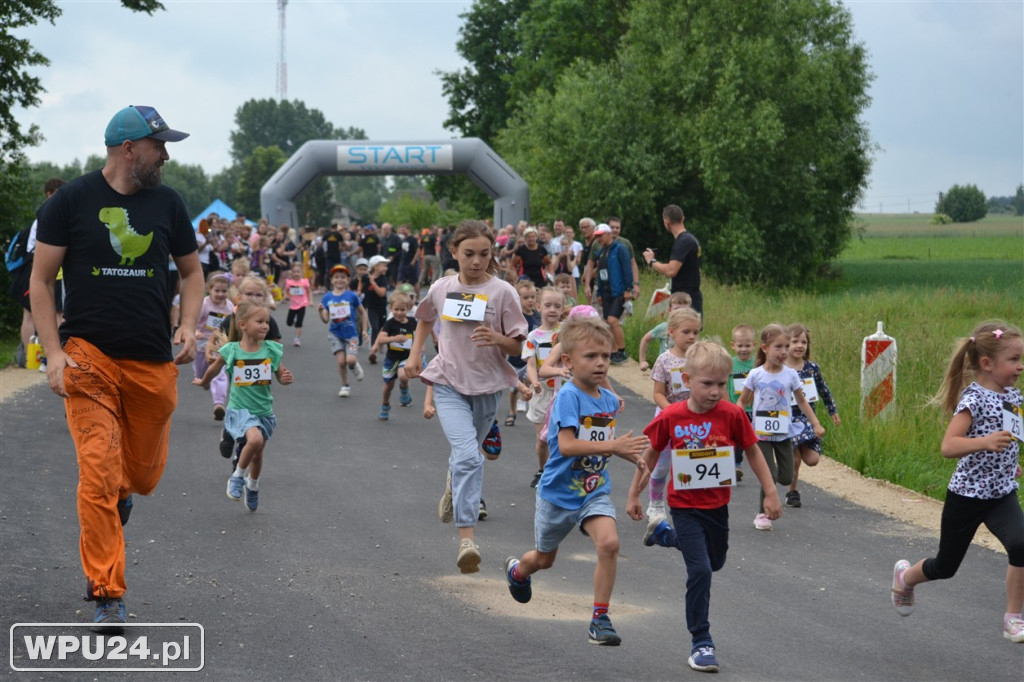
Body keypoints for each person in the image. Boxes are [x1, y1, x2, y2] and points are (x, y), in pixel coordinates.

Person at [28, 105, 202, 628]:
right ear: (130, 149)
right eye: (159, 145)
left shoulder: (168, 204)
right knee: (98, 475)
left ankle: (122, 497)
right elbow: (41, 281)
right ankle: (108, 592)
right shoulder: (71, 202)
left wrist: (190, 324)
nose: (166, 155)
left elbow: (192, 275)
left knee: (140, 476)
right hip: (89, 357)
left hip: (151, 360)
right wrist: (54, 352)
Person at [626, 341, 782, 672]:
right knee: (699, 571)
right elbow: (651, 453)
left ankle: (663, 536)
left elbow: (753, 451)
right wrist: (634, 494)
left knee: (715, 562)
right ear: (686, 379)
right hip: (683, 506)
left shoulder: (733, 414)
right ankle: (701, 641)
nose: (714, 391)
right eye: (706, 383)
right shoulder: (672, 416)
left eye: (720, 384)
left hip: (717, 507)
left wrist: (770, 491)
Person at [503, 316, 649, 646]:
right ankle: (517, 572)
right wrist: (614, 445)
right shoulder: (568, 396)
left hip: (593, 491)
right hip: (556, 494)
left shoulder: (610, 402)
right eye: (591, 356)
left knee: (609, 543)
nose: (600, 363)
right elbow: (567, 446)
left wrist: (631, 455)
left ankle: (600, 618)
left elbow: (601, 446)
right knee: (544, 560)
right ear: (568, 361)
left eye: (606, 356)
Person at [404, 220, 528, 574]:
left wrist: (498, 339)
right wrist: (415, 354)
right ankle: (467, 540)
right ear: (454, 252)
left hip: (488, 386)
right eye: (469, 254)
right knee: (471, 458)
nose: (476, 261)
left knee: (465, 457)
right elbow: (425, 318)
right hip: (448, 382)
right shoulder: (442, 287)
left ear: (492, 254)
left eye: (484, 254)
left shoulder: (503, 292)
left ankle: (452, 482)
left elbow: (519, 343)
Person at [890, 321, 1024, 644]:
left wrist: (1010, 462)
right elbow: (949, 446)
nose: (1021, 366)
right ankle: (905, 577)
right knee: (946, 565)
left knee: (1022, 544)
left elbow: (1009, 436)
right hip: (967, 495)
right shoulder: (972, 398)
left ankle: (1013, 618)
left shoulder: (1015, 395)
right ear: (987, 364)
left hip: (1001, 492)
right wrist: (985, 443)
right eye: (1014, 359)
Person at [194, 300, 293, 512]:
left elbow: (280, 375)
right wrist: (203, 381)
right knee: (254, 439)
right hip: (240, 409)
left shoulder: (271, 350)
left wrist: (285, 378)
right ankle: (237, 476)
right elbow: (214, 368)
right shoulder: (231, 350)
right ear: (243, 325)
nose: (265, 325)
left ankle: (253, 485)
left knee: (258, 454)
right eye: (260, 321)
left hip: (263, 411)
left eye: (267, 321)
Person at [737, 324, 824, 531]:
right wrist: (739, 420)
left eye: (786, 347)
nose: (783, 352)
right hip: (761, 434)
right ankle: (762, 514)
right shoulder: (756, 375)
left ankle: (778, 492)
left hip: (784, 433)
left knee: (785, 476)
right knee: (768, 473)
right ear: (765, 348)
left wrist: (816, 423)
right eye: (778, 347)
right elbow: (742, 401)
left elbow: (802, 402)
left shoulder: (790, 375)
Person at [643, 307, 702, 534]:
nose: (691, 337)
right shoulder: (664, 360)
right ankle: (656, 504)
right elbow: (658, 393)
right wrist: (672, 412)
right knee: (661, 467)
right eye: (686, 331)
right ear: (671, 332)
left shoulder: (700, 358)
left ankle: (687, 508)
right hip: (668, 419)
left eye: (695, 332)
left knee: (689, 465)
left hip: (695, 421)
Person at [782, 323, 841, 508]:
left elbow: (824, 391)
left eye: (804, 342)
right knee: (796, 460)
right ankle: (792, 492)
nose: (800, 345)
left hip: (807, 421)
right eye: (795, 341)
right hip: (787, 420)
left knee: (812, 460)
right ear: (786, 344)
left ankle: (787, 470)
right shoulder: (780, 368)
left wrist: (833, 411)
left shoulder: (812, 369)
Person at [522, 287, 566, 488]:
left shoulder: (567, 333)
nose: (552, 309)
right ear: (539, 306)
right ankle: (542, 469)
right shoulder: (533, 336)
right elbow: (531, 364)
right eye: (548, 305)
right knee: (543, 439)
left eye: (557, 306)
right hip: (542, 392)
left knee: (563, 436)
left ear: (563, 309)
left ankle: (557, 472)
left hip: (564, 391)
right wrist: (534, 381)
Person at [642, 204, 703, 317]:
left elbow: (671, 271)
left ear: (666, 222)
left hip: (684, 301)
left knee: (682, 332)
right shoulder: (692, 240)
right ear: (683, 219)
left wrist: (651, 261)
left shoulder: (683, 241)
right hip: (691, 297)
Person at [318, 264, 368, 397]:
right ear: (332, 280)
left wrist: (364, 330)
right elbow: (325, 319)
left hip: (351, 335)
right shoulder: (327, 298)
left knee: (350, 360)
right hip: (335, 334)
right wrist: (320, 312)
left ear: (348, 280)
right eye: (336, 277)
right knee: (341, 362)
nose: (339, 280)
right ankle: (345, 385)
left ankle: (354, 365)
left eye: (343, 277)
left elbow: (363, 312)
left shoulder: (352, 296)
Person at [586, 223, 633, 365]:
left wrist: (628, 289)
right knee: (607, 322)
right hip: (605, 292)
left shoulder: (620, 249)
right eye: (597, 236)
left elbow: (627, 269)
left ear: (608, 234)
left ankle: (621, 350)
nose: (599, 239)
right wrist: (599, 292)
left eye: (601, 235)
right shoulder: (601, 252)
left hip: (618, 291)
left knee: (613, 320)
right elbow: (601, 274)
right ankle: (612, 351)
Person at [193, 272, 234, 420]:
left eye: (224, 291)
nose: (220, 294)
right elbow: (193, 321)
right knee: (200, 373)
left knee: (220, 373)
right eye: (217, 290)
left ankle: (219, 404)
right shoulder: (204, 304)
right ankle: (204, 380)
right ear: (209, 289)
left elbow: (231, 326)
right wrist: (196, 331)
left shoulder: (229, 306)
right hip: (201, 344)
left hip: (218, 345)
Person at [372, 290, 417, 421]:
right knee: (388, 386)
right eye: (396, 309)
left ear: (408, 308)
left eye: (402, 310)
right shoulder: (390, 323)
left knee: (403, 376)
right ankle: (385, 405)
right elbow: (380, 339)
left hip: (406, 357)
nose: (399, 312)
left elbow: (419, 336)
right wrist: (393, 339)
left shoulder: (412, 321)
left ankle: (404, 390)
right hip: (391, 359)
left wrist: (420, 352)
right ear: (390, 308)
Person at [505, 280, 540, 426]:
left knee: (529, 380)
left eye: (532, 297)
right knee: (513, 389)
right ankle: (512, 412)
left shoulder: (538, 317)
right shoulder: (516, 316)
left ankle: (523, 399)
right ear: (518, 299)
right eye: (526, 298)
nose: (530, 300)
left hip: (531, 359)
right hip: (515, 359)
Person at [727, 323, 757, 480]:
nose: (743, 349)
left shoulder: (757, 365)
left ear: (754, 345)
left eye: (747, 345)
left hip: (755, 410)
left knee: (753, 440)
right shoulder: (730, 363)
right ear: (733, 345)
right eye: (740, 346)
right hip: (736, 408)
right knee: (737, 438)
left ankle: (761, 466)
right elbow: (725, 384)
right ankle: (736, 464)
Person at [637, 292, 693, 371]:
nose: (680, 313)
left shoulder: (691, 330)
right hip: (663, 369)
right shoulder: (664, 327)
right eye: (677, 309)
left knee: (677, 383)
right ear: (669, 310)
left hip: (681, 370)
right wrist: (642, 361)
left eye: (684, 310)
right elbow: (645, 339)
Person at [363, 255, 391, 364]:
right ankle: (372, 352)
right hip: (371, 307)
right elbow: (360, 286)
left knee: (382, 329)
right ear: (375, 267)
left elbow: (382, 293)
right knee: (374, 328)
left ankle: (380, 343)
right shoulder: (366, 277)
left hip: (381, 307)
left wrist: (373, 282)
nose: (386, 268)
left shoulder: (383, 279)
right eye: (384, 266)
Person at [282, 261, 312, 347]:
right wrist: (285, 296)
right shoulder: (289, 282)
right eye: (294, 272)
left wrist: (311, 301)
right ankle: (294, 322)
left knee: (299, 323)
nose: (296, 273)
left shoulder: (304, 282)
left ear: (301, 272)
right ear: (292, 273)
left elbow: (309, 292)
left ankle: (297, 338)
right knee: (289, 323)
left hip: (302, 305)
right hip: (293, 305)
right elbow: (286, 291)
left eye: (298, 272)